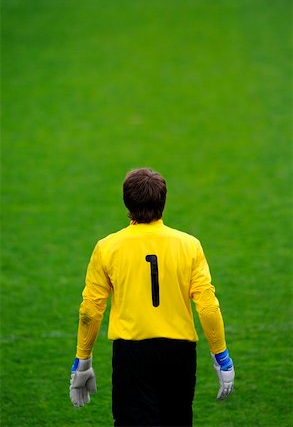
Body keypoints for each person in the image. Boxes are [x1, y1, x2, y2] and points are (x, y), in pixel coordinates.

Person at [69, 168, 235, 427]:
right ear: (163, 201)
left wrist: (83, 361)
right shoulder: (189, 245)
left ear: (127, 201)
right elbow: (207, 306)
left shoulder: (107, 247)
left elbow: (90, 310)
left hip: (132, 354)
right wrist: (221, 357)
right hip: (179, 353)